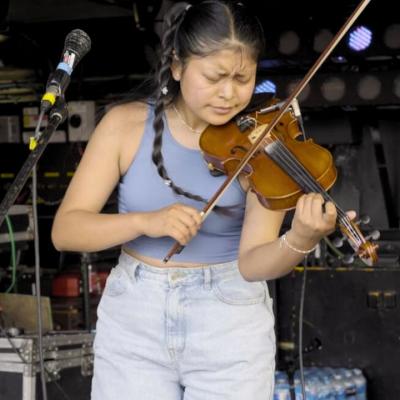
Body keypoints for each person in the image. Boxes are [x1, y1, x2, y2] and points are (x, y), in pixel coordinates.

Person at [51, 1, 343, 399]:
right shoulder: (124, 125)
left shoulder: (261, 142)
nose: (229, 94)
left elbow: (254, 262)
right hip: (135, 317)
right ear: (176, 65)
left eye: (243, 79)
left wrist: (302, 240)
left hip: (228, 318)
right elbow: (66, 231)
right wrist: (144, 222)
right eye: (214, 77)